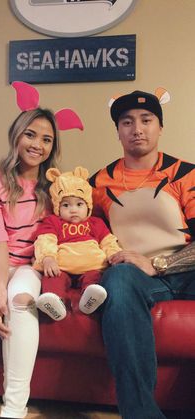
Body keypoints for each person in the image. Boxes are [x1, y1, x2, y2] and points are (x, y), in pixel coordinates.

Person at [0, 81, 83, 418]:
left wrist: (10, 297)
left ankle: (14, 410)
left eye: (47, 139)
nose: (38, 145)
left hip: (28, 265)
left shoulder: (53, 188)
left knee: (22, 302)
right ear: (17, 136)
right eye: (31, 135)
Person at [89, 88, 195, 419]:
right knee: (116, 281)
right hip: (134, 276)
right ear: (118, 131)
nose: (137, 129)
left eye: (147, 120)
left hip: (184, 267)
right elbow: (86, 235)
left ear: (160, 126)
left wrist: (159, 264)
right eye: (127, 122)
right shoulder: (98, 183)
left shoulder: (185, 174)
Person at [33, 166, 121, 320]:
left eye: (79, 204)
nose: (73, 210)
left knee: (94, 278)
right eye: (66, 205)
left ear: (88, 206)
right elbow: (46, 240)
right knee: (52, 278)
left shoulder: (96, 222)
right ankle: (55, 303)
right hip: (61, 268)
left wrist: (114, 255)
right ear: (57, 207)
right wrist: (47, 258)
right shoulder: (53, 221)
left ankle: (90, 299)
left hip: (91, 267)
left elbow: (108, 242)